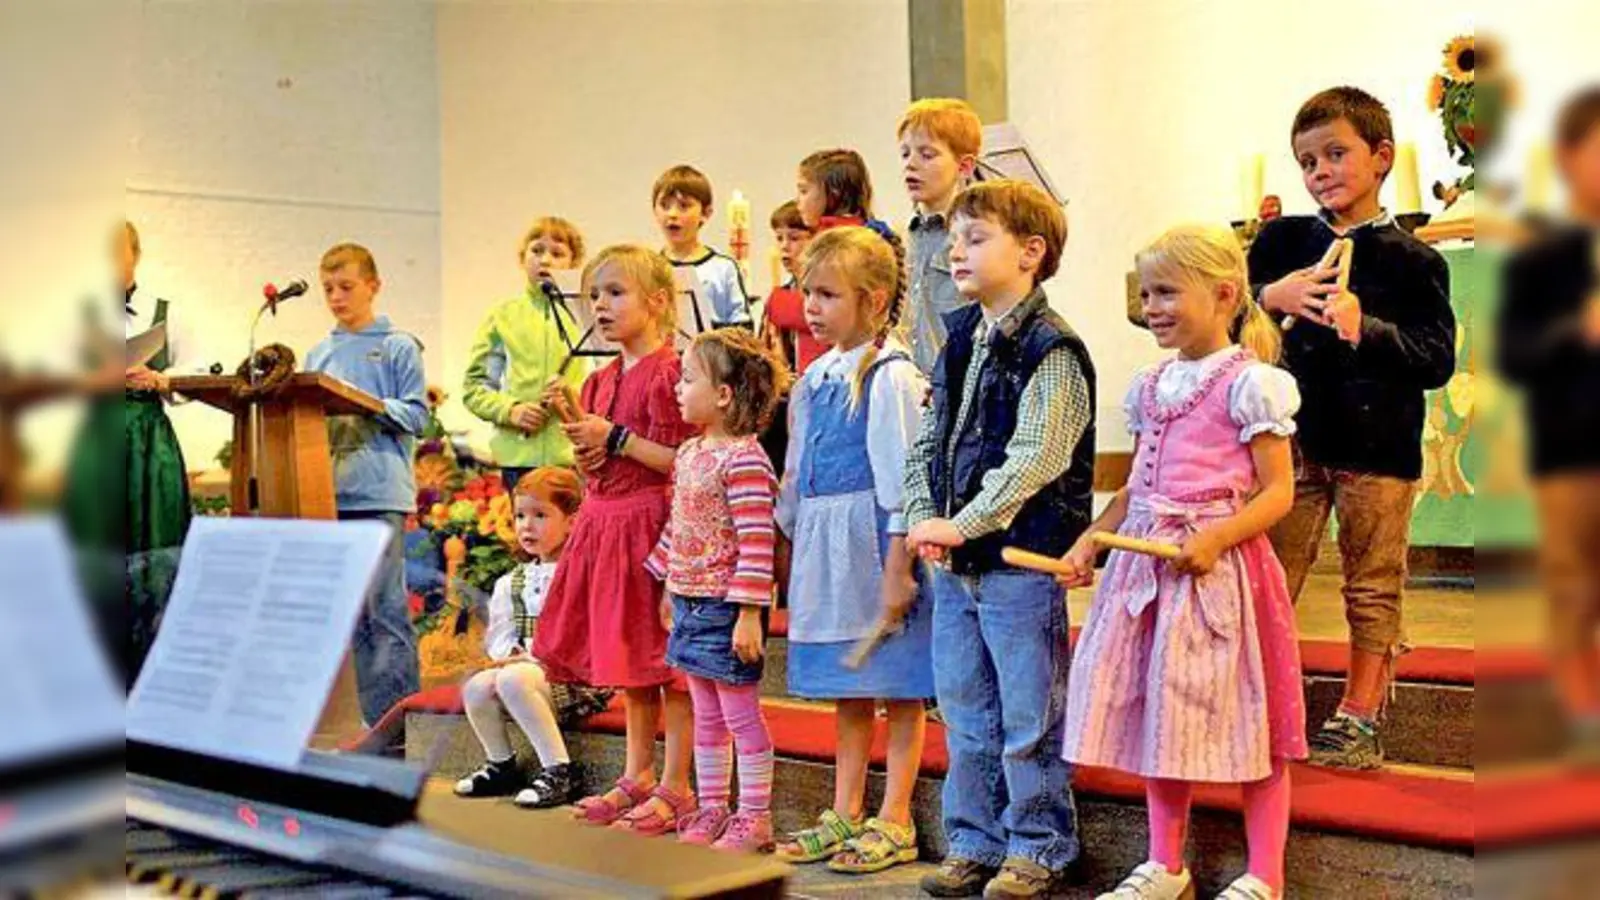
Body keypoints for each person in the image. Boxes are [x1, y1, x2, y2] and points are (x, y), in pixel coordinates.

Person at [1060, 223, 1308, 900]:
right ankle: (1166, 865)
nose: (1153, 306)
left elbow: (1279, 491)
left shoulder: (1252, 384)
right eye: (1147, 293)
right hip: (1151, 576)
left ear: (1225, 293)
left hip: (1219, 575)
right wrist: (1094, 539)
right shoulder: (1149, 385)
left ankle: (1265, 876)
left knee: (1253, 719)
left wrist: (1218, 537)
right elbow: (1137, 488)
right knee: (1159, 719)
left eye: (1167, 291)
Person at [1248, 86, 1455, 768]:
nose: (1320, 172)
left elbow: (1435, 360)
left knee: (1371, 580)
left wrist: (1365, 326)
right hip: (1294, 447)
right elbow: (1220, 319)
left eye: (1336, 154)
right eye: (1307, 161)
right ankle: (1260, 699)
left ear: (1381, 158)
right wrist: (1266, 297)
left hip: (1379, 449)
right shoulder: (1282, 242)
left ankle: (1360, 712)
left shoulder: (1416, 261)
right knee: (1273, 575)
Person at [904, 180, 1094, 899]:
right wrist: (926, 511)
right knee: (965, 709)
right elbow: (930, 438)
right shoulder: (960, 339)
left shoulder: (1053, 348)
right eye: (954, 237)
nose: (956, 249)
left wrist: (962, 521)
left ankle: (1040, 845)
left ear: (1032, 253)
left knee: (1027, 714)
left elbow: (1037, 458)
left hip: (1019, 561)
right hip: (957, 562)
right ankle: (974, 841)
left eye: (976, 237)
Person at [773, 226, 932, 874]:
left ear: (872, 300)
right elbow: (798, 467)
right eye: (808, 293)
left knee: (896, 686)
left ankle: (895, 816)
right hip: (825, 546)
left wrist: (898, 567)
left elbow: (903, 477)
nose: (811, 307)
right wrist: (786, 539)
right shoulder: (815, 376)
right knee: (850, 686)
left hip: (874, 546)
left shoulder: (892, 377)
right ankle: (846, 807)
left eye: (828, 295)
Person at [532, 245, 700, 834]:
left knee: (665, 663)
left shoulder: (675, 372)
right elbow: (599, 468)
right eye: (594, 294)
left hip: (655, 526)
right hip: (607, 526)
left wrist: (618, 439)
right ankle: (638, 773)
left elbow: (690, 461)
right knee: (630, 663)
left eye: (615, 292)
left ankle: (679, 784)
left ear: (658, 302)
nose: (600, 305)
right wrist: (589, 450)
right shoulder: (599, 379)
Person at [646, 328, 787, 852]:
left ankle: (755, 817)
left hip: (727, 608)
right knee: (704, 713)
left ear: (724, 395)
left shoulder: (745, 460)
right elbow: (680, 525)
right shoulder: (688, 453)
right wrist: (666, 581)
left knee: (739, 713)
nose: (677, 388)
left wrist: (750, 612)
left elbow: (757, 542)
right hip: (688, 601)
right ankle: (712, 808)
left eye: (687, 379)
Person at [1496, 85, 1600, 762]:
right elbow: (1515, 353)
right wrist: (1575, 332)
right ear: (1568, 158)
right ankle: (1578, 708)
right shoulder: (1543, 258)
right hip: (1571, 440)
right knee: (1574, 579)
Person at [64, 220, 205, 683]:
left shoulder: (166, 312)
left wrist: (163, 380)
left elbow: (200, 372)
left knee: (158, 549)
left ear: (135, 255)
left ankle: (156, 676)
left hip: (149, 442)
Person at [304, 242, 429, 731]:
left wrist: (368, 405)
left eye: (346, 287)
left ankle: (403, 728)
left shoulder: (398, 345)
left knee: (387, 611)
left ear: (373, 286)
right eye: (328, 289)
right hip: (328, 495)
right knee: (351, 616)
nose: (336, 297)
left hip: (378, 492)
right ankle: (369, 727)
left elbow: (417, 414)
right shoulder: (319, 354)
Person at [455, 467, 612, 807]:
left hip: (579, 680)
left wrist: (534, 661)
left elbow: (593, 635)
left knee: (513, 678)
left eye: (540, 515)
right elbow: (501, 636)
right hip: (531, 676)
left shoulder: (584, 573)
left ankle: (559, 770)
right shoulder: (512, 581)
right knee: (478, 685)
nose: (527, 525)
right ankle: (501, 763)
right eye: (520, 515)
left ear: (572, 521)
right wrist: (510, 652)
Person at [462, 216, 589, 492]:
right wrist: (511, 410)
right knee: (527, 535)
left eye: (557, 254)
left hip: (572, 458)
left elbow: (606, 384)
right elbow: (474, 388)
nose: (545, 261)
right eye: (537, 250)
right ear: (523, 258)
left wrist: (573, 400)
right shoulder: (502, 316)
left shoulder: (586, 316)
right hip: (517, 460)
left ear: (573, 263)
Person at [896, 97, 983, 373]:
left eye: (927, 154)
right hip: (907, 384)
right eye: (905, 153)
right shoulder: (899, 238)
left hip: (953, 384)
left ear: (965, 166)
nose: (911, 164)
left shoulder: (973, 240)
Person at [654, 164, 753, 329]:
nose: (672, 214)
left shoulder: (723, 268)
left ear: (706, 213)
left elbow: (742, 326)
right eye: (664, 206)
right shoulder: (649, 269)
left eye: (684, 206)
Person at [762, 200, 824, 375]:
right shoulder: (784, 290)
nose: (784, 246)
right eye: (779, 238)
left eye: (794, 238)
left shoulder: (825, 292)